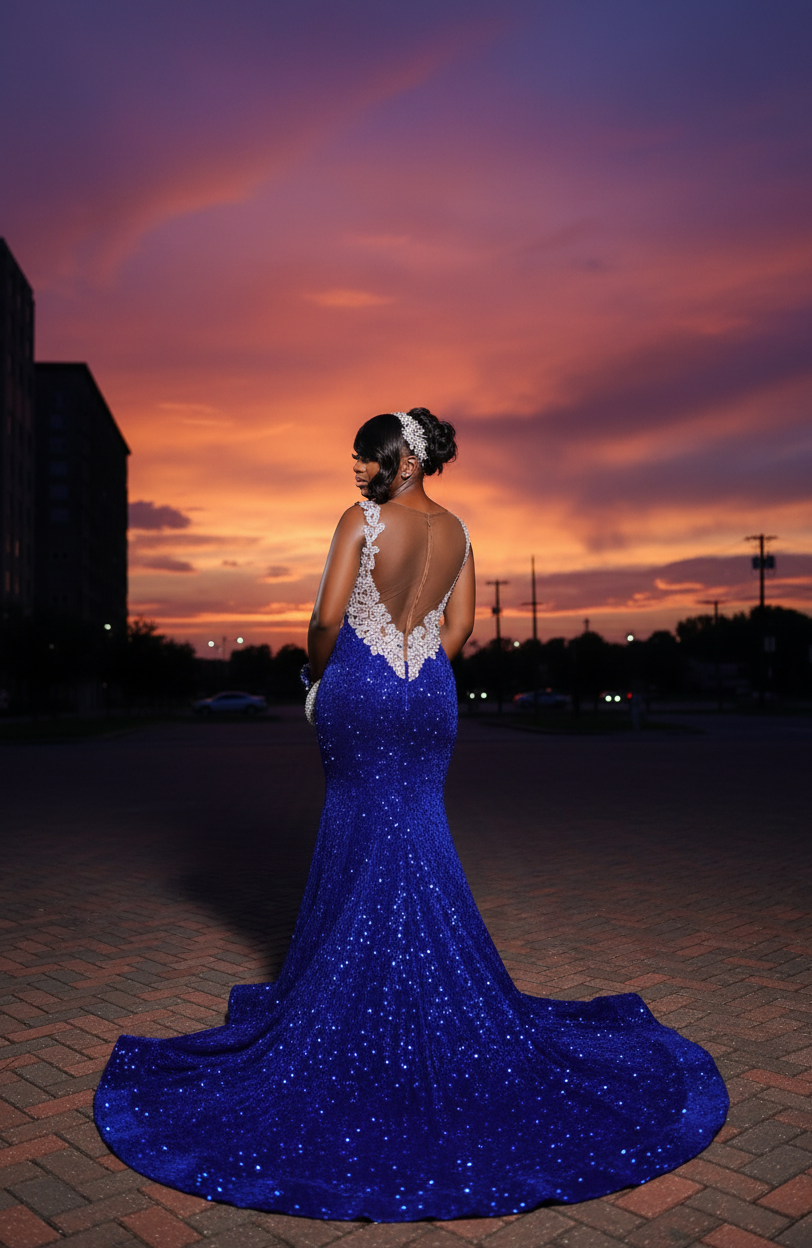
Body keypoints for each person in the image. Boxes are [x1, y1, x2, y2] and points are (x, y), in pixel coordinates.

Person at [94, 409, 728, 1222]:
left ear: (399, 459)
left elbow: (325, 620)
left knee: (361, 830)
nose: (356, 472)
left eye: (365, 458)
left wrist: (318, 678)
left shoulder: (362, 523)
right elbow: (459, 627)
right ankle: (419, 988)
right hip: (428, 693)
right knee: (416, 830)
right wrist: (416, 665)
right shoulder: (459, 530)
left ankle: (359, 1000)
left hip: (357, 688)